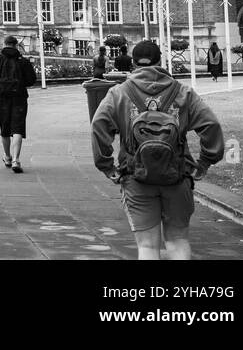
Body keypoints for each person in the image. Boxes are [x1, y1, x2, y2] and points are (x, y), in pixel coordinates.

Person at [91, 40, 225, 260]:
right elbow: (211, 126)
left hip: (136, 177)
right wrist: (205, 162)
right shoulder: (183, 92)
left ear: (133, 64)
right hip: (177, 174)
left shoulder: (119, 93)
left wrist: (106, 165)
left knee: (147, 247)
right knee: (178, 242)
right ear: (160, 61)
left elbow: (99, 126)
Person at [0, 35, 37, 173]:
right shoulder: (22, 61)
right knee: (18, 128)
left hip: (2, 97)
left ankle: (7, 157)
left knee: (5, 128)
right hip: (19, 97)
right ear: (16, 45)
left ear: (4, 44)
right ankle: (16, 160)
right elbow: (32, 79)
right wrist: (20, 82)